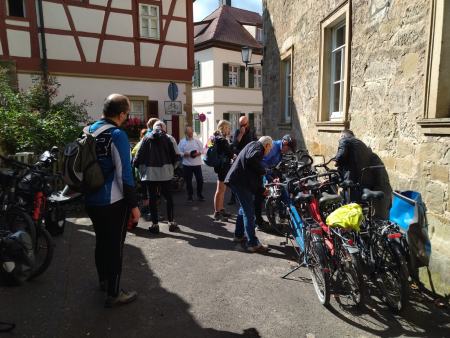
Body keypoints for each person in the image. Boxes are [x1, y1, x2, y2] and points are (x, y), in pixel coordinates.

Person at [85, 93, 139, 308]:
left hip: (90, 198)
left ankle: (104, 281)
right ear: (122, 114)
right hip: (112, 201)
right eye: (127, 114)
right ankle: (114, 293)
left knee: (101, 241)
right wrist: (134, 205)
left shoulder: (89, 130)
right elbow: (124, 175)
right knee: (115, 245)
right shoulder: (117, 135)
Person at [225, 136, 273, 253]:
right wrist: (263, 171)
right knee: (248, 212)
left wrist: (261, 189)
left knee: (243, 209)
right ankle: (252, 243)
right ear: (266, 145)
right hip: (239, 182)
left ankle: (239, 235)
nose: (269, 151)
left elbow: (251, 174)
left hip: (238, 181)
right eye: (270, 149)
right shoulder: (257, 147)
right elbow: (251, 160)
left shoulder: (253, 146)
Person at [334, 129, 393, 219]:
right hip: (371, 182)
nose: (339, 140)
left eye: (340, 138)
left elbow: (341, 154)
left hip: (354, 178)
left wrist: (336, 161)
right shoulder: (364, 148)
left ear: (343, 136)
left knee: (351, 200)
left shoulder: (345, 140)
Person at [134, 121, 179, 233]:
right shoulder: (170, 138)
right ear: (164, 128)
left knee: (152, 199)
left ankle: (155, 225)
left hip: (150, 174)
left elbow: (138, 156)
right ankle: (171, 222)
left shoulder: (146, 138)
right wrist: (172, 168)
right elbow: (176, 156)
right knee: (168, 198)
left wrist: (138, 168)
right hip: (166, 173)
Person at [255, 134, 298, 229]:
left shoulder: (281, 150)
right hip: (261, 174)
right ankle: (258, 222)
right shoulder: (273, 147)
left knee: (282, 191)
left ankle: (282, 217)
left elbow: (273, 166)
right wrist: (270, 177)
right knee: (260, 198)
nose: (288, 151)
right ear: (284, 143)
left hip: (269, 173)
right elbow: (262, 164)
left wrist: (275, 176)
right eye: (288, 148)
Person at [212, 120, 234, 221]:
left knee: (222, 190)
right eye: (228, 128)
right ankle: (217, 212)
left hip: (221, 166)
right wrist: (235, 155)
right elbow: (229, 153)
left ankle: (221, 209)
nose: (229, 130)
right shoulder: (222, 140)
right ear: (223, 128)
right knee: (220, 190)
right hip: (223, 167)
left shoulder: (217, 138)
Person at [178, 126, 205, 202]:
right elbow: (178, 151)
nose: (190, 134)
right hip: (187, 165)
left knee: (200, 180)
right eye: (189, 133)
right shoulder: (182, 141)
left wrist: (198, 153)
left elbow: (203, 150)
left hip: (197, 164)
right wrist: (184, 154)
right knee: (188, 181)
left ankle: (199, 195)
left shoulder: (197, 141)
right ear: (185, 133)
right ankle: (190, 196)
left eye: (191, 132)